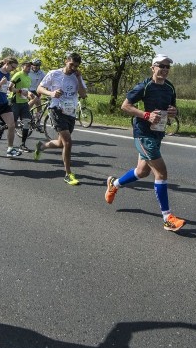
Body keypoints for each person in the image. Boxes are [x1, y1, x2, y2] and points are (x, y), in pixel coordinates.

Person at [104, 54, 185, 232]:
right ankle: (167, 218)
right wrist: (146, 115)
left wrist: (173, 111)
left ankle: (114, 184)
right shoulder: (144, 86)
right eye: (161, 66)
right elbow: (125, 106)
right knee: (161, 173)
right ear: (152, 68)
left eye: (167, 67)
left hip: (158, 133)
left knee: (142, 171)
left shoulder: (170, 87)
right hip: (143, 134)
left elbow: (172, 109)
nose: (164, 69)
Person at [33, 52, 87, 185]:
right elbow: (39, 88)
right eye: (71, 65)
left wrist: (79, 79)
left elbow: (83, 94)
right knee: (68, 142)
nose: (73, 68)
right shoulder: (54, 73)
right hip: (56, 109)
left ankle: (42, 146)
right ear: (66, 61)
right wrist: (51, 93)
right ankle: (68, 174)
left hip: (70, 111)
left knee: (61, 143)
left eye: (76, 66)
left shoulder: (77, 77)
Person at [6, 59, 33, 152]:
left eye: (30, 66)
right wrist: (19, 91)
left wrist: (29, 94)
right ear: (22, 67)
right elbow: (10, 88)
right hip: (15, 102)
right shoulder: (18, 75)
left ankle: (23, 145)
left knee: (26, 122)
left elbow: (26, 90)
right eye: (27, 66)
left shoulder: (29, 78)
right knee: (12, 124)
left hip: (24, 102)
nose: (29, 68)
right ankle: (1, 128)